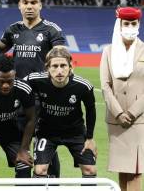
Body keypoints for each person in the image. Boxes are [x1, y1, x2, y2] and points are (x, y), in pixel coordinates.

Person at [0, 0, 66, 178]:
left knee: (46, 143)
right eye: (25, 2)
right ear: (19, 5)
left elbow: (60, 56)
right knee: (21, 145)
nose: (29, 6)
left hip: (44, 97)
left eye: (33, 2)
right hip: (18, 98)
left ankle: (52, 182)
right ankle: (23, 182)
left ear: (40, 5)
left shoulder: (51, 30)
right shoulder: (13, 30)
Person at [25, 47, 97, 179]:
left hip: (75, 133)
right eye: (55, 66)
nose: (59, 71)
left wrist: (90, 138)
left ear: (70, 67)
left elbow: (91, 110)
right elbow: (17, 86)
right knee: (40, 170)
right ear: (47, 68)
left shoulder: (83, 86)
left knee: (90, 169)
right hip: (47, 132)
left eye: (63, 65)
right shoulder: (35, 80)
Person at [100, 7, 143, 191]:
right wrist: (118, 113)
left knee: (135, 170)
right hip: (116, 121)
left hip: (139, 120)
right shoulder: (108, 51)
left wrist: (133, 112)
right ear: (120, 25)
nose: (131, 27)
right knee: (123, 170)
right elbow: (105, 85)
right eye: (127, 23)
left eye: (134, 23)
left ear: (139, 24)